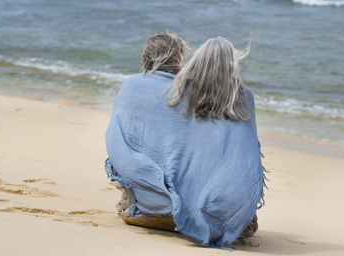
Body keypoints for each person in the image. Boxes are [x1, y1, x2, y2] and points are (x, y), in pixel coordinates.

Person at [105, 35, 266, 249]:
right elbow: (247, 164)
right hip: (220, 221)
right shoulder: (243, 98)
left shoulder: (150, 87)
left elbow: (117, 144)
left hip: (144, 209)